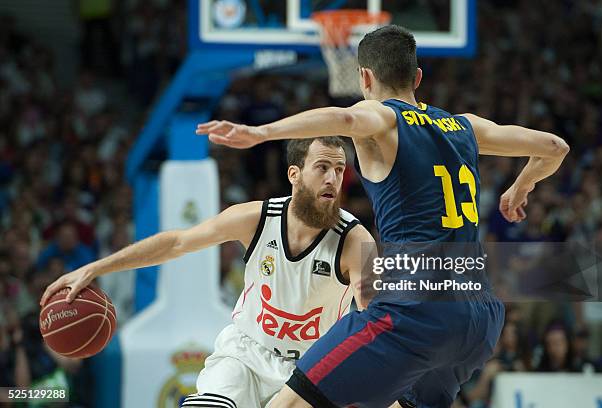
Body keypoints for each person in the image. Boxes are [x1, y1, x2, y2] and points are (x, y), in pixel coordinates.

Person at [197, 25, 569, 407]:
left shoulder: (384, 121)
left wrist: (261, 132)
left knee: (289, 403)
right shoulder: (466, 126)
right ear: (418, 78)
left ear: (364, 77)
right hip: (480, 318)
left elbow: (344, 121)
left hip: (415, 309)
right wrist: (521, 186)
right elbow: (555, 147)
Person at [41, 137, 376, 408]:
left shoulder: (356, 241)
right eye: (322, 167)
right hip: (245, 353)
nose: (333, 178)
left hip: (309, 370)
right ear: (295, 174)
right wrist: (96, 267)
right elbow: (176, 243)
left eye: (339, 168)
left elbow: (375, 323)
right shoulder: (257, 218)